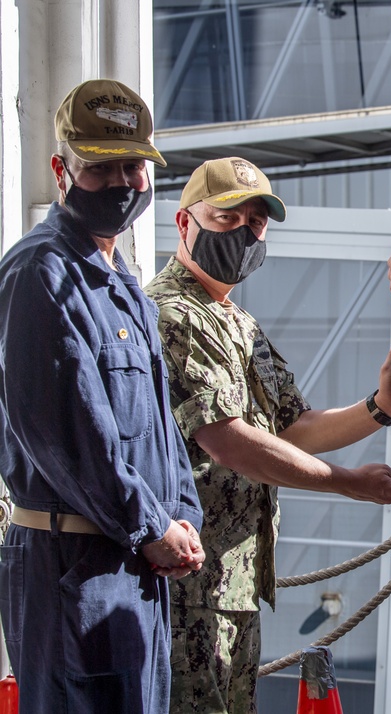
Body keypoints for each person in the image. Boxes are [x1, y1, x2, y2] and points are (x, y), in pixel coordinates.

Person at [144, 156, 391, 714]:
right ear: (185, 224)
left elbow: (292, 428)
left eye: (256, 222)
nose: (245, 232)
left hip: (235, 583)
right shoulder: (170, 314)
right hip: (187, 588)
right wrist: (351, 484)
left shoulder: (235, 320)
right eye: (228, 218)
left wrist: (380, 407)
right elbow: (229, 440)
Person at [0, 79, 205, 714]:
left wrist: (184, 519)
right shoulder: (42, 274)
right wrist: (150, 525)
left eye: (132, 167)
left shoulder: (124, 286)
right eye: (101, 168)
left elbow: (162, 433)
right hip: (72, 568)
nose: (121, 183)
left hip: (133, 568)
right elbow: (70, 433)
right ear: (62, 170)